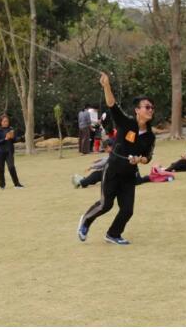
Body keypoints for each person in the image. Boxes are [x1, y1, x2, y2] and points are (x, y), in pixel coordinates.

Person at [76, 72, 156, 246]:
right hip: (113, 170)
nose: (151, 110)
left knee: (127, 210)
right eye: (147, 107)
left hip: (129, 175)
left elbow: (148, 156)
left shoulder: (150, 135)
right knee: (106, 205)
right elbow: (112, 105)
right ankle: (86, 221)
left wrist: (140, 160)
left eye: (152, 107)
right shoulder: (126, 123)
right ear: (137, 110)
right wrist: (106, 86)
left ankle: (113, 234)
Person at [71, 138, 151, 188]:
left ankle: (82, 182)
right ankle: (84, 181)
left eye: (105, 148)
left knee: (98, 174)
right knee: (100, 174)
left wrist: (92, 166)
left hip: (126, 176)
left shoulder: (116, 152)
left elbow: (106, 162)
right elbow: (107, 160)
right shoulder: (118, 149)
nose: (105, 151)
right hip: (130, 175)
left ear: (109, 147)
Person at [0, 114, 24, 189]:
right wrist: (5, 139)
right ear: (1, 122)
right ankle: (2, 185)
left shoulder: (11, 129)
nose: (6, 123)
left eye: (7, 121)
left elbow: (14, 140)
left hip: (9, 152)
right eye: (4, 121)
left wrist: (18, 138)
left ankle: (17, 184)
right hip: (0, 152)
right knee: (1, 169)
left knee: (11, 167)